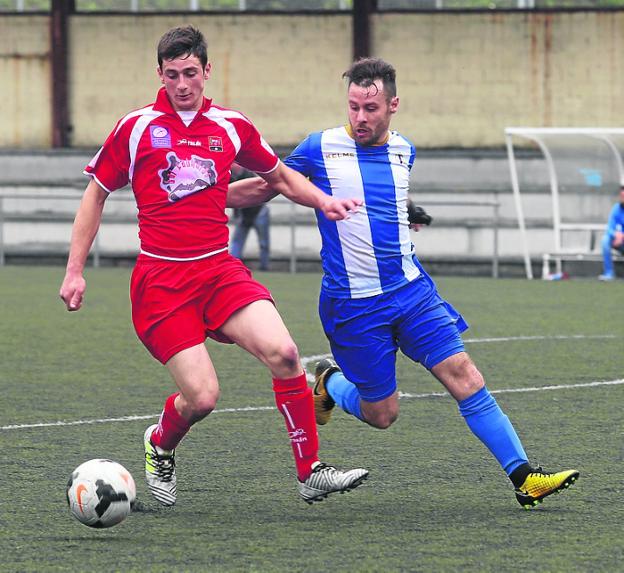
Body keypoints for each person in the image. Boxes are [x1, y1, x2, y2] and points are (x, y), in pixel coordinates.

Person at [228, 57, 579, 509]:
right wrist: (203, 196)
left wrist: (408, 212)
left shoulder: (404, 150)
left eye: (370, 108)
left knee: (464, 374)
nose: (360, 117)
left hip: (412, 292)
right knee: (382, 414)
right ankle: (330, 384)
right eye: (353, 106)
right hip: (353, 305)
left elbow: (386, 193)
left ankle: (524, 477)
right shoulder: (319, 147)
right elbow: (266, 186)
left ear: (393, 105)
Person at [59, 25, 368, 507]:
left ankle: (310, 471)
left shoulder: (231, 126)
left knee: (285, 355)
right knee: (202, 398)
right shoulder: (136, 127)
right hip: (162, 282)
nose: (182, 84)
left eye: (190, 73)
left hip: (219, 272)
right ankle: (160, 442)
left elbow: (280, 176)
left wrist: (324, 202)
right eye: (172, 75)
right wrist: (75, 270)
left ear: (207, 70)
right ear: (159, 74)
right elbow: (96, 192)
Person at [230, 164, 271, 271]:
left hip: (258, 212)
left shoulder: (248, 175)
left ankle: (264, 266)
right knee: (237, 240)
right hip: (244, 213)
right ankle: (234, 265)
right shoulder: (231, 176)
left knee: (263, 243)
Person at [598, 185, 624, 281]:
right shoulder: (616, 208)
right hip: (617, 241)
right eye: (621, 196)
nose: (622, 198)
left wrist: (622, 236)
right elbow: (609, 228)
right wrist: (615, 235)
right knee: (605, 240)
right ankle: (609, 273)